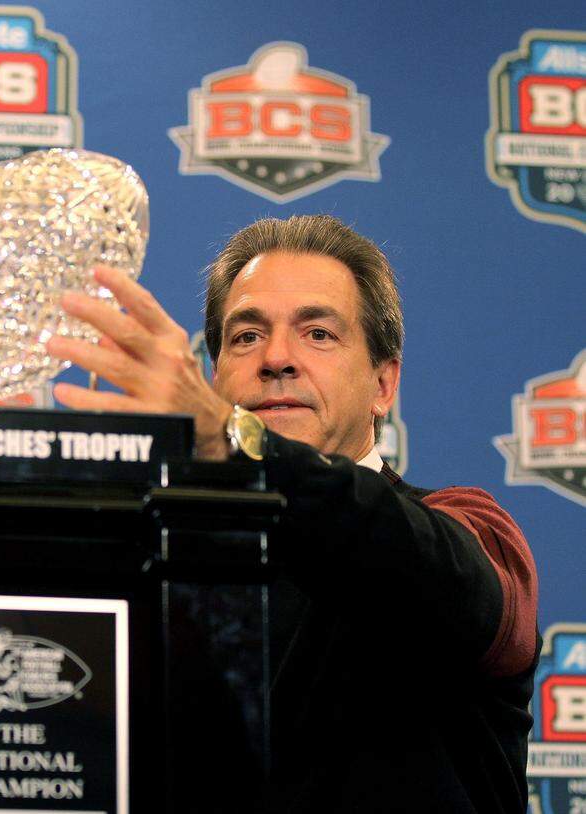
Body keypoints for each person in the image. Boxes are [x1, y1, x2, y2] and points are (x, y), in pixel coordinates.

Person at [46, 214, 538, 812]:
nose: (277, 357)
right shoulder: (152, 557)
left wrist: (234, 441)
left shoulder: (471, 530)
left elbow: (421, 566)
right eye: (247, 336)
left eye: (319, 334)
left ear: (384, 384)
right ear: (214, 375)